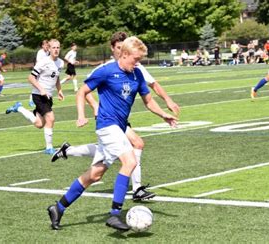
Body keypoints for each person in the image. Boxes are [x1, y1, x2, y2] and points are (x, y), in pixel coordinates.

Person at [46, 36, 177, 231]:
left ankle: (58, 207)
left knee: (96, 174)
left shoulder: (137, 74)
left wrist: (163, 115)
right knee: (130, 161)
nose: (138, 63)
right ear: (124, 55)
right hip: (107, 125)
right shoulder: (106, 71)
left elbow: (148, 101)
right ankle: (115, 214)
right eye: (135, 59)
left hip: (120, 126)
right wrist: (82, 115)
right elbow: (81, 91)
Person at [5, 39, 64, 155]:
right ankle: (49, 148)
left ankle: (19, 108)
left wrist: (60, 90)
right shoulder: (43, 62)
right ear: (49, 49)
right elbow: (31, 78)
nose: (56, 50)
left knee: (39, 124)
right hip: (38, 95)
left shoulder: (61, 63)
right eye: (53, 47)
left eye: (58, 47)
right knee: (51, 118)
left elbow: (56, 77)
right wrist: (41, 89)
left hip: (48, 96)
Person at [29, 40, 50, 107]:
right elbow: (39, 62)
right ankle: (31, 100)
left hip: (43, 72)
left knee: (42, 85)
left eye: (48, 45)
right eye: (46, 45)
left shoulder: (47, 52)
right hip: (38, 71)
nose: (47, 46)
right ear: (42, 46)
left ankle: (43, 98)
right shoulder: (40, 52)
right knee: (36, 86)